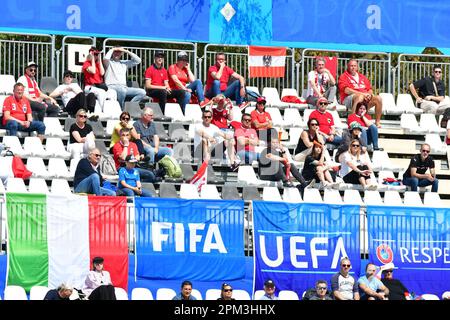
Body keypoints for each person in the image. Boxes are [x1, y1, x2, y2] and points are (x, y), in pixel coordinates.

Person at [338, 59, 383, 127]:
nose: (353, 67)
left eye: (355, 66)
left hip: (364, 98)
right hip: (349, 98)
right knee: (359, 97)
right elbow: (346, 90)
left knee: (378, 98)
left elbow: (369, 89)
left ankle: (377, 122)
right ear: (348, 67)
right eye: (351, 66)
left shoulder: (362, 77)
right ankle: (353, 121)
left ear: (357, 67)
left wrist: (369, 95)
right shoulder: (344, 76)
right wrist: (362, 94)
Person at [82, 47, 117, 112]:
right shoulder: (86, 63)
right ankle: (102, 111)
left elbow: (102, 73)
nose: (95, 56)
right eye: (94, 54)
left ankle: (112, 111)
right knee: (101, 92)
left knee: (113, 92)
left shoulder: (98, 64)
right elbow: (93, 71)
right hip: (89, 87)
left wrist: (99, 59)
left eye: (96, 54)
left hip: (99, 86)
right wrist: (92, 58)